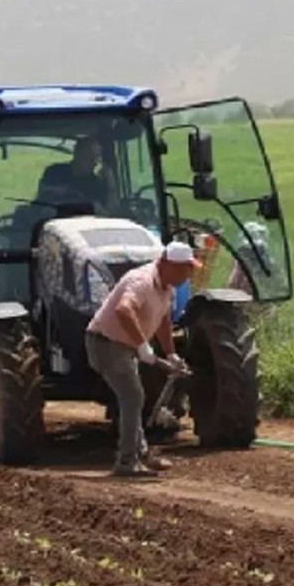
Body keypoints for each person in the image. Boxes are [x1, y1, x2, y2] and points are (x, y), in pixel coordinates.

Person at [85, 241, 199, 477]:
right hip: (105, 343)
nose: (187, 275)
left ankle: (140, 453)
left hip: (123, 345)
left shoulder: (167, 288)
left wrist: (170, 354)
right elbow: (124, 310)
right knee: (133, 396)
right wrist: (142, 346)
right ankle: (127, 461)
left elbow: (164, 321)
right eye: (184, 269)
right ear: (168, 264)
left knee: (133, 397)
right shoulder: (142, 281)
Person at [37, 136, 110, 212]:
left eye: (97, 157)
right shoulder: (55, 172)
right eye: (89, 156)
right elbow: (44, 199)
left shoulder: (96, 185)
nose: (94, 162)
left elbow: (105, 211)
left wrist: (110, 181)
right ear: (77, 153)